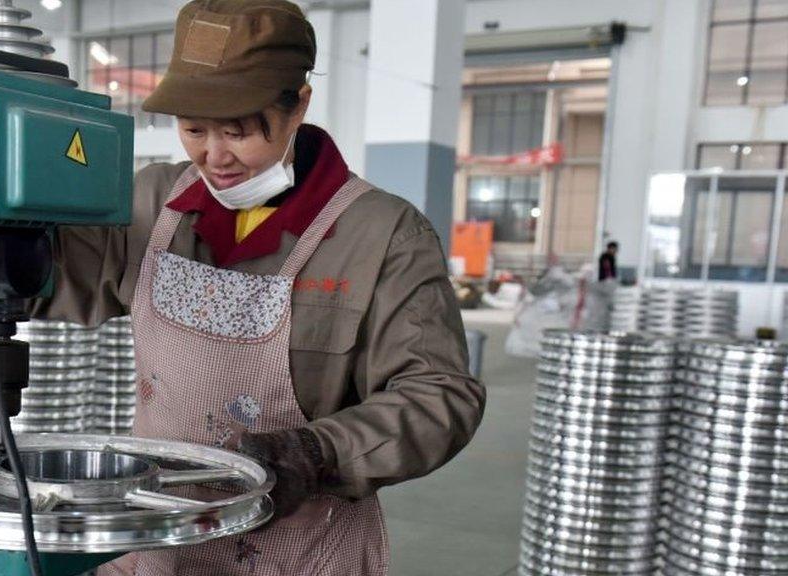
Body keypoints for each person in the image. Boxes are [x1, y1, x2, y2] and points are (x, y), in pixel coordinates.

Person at [32, 1, 486, 573]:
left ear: (298, 105)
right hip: (157, 541)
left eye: (238, 131)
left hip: (295, 549)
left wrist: (317, 453)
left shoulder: (383, 235)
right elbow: (47, 278)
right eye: (194, 130)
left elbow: (440, 395)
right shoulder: (152, 203)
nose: (214, 157)